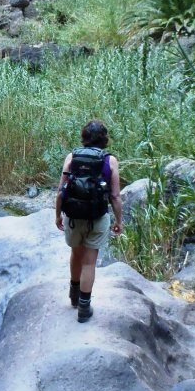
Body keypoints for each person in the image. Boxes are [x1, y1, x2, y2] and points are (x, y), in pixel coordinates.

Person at [55, 119, 122, 322]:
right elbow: (115, 196)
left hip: (74, 217)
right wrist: (119, 220)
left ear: (84, 138)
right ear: (104, 139)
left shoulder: (72, 157)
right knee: (89, 262)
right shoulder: (110, 161)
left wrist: (57, 214)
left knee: (76, 254)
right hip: (97, 216)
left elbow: (61, 191)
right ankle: (84, 308)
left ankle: (74, 296)